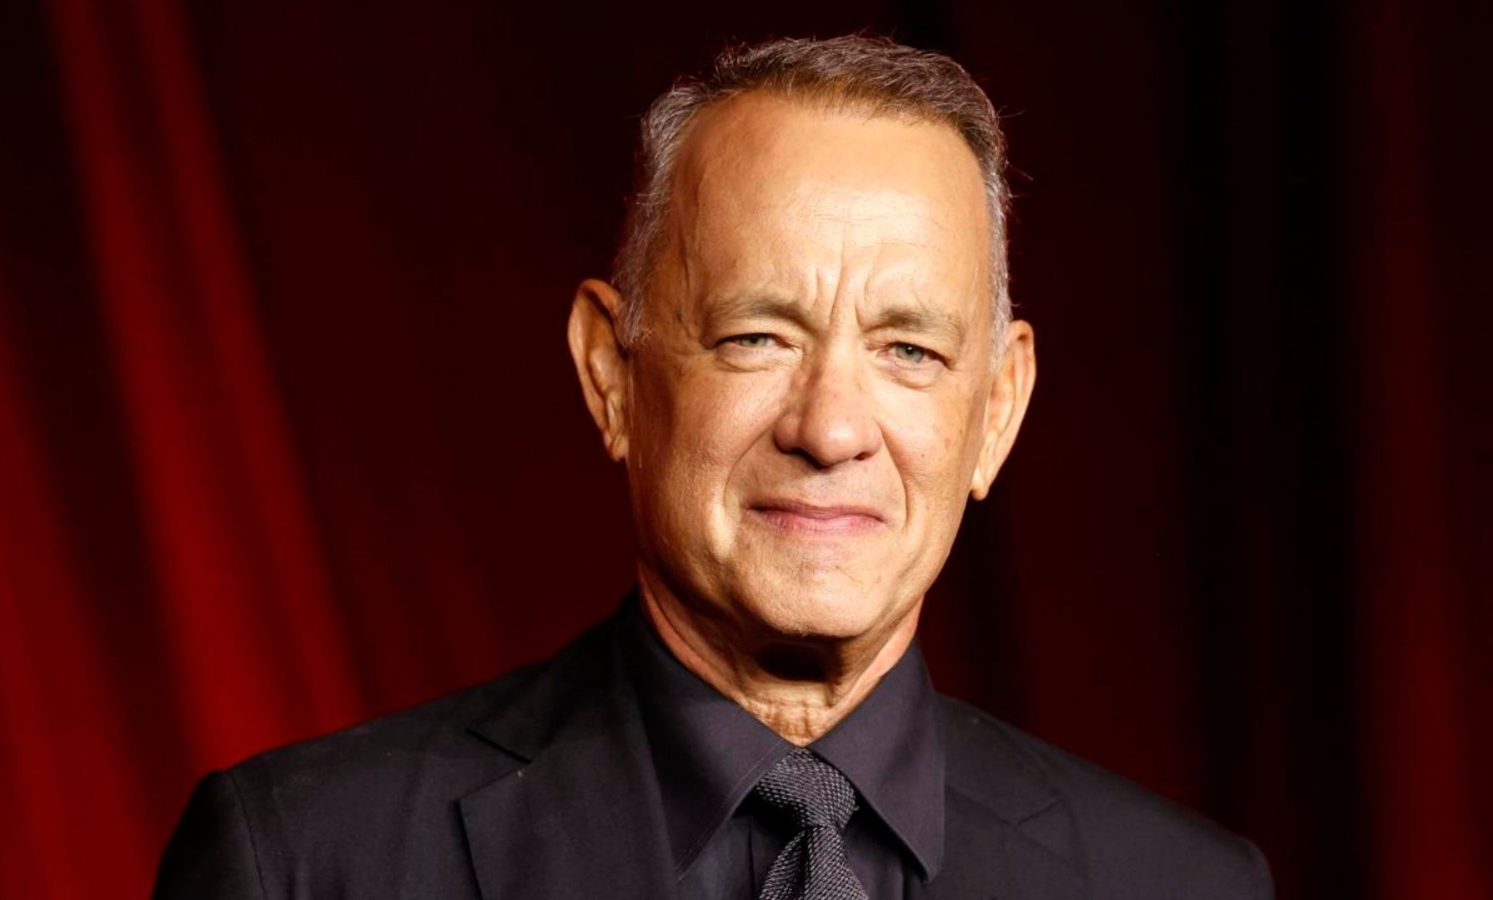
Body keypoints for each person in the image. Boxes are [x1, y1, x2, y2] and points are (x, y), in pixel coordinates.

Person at [154, 35, 1272, 900]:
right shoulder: (306, 861)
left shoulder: (1182, 887)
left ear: (996, 411)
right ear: (612, 374)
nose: (831, 430)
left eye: (909, 351)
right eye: (756, 337)